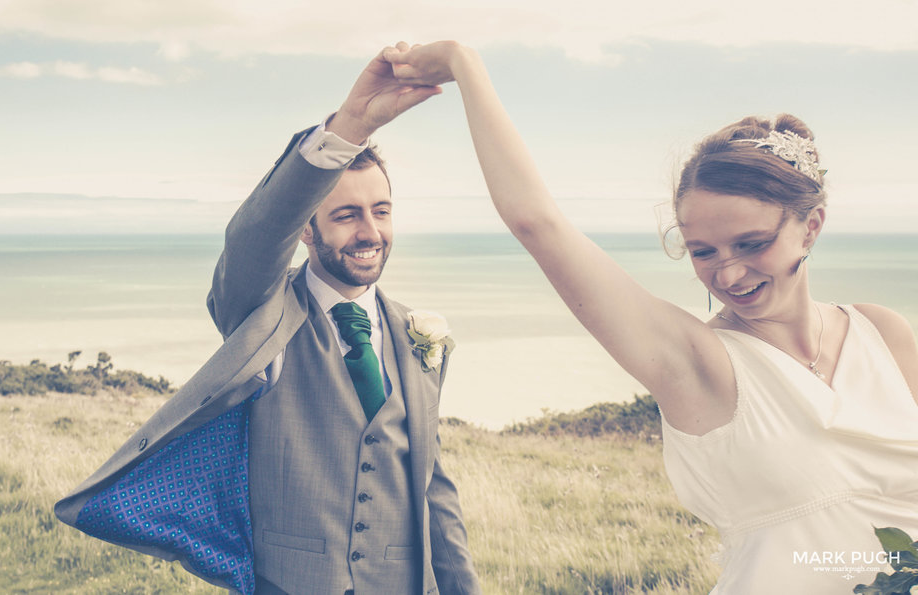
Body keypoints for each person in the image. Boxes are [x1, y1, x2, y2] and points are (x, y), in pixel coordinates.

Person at [384, 41, 918, 593]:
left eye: (752, 243)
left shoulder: (884, 334)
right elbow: (537, 223)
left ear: (811, 226)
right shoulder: (700, 364)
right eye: (703, 252)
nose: (729, 275)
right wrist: (464, 65)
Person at [54, 49, 481, 595]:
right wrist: (348, 128)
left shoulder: (420, 339)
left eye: (381, 210)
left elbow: (432, 487)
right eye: (346, 214)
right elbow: (254, 236)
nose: (369, 231)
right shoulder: (265, 313)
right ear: (306, 230)